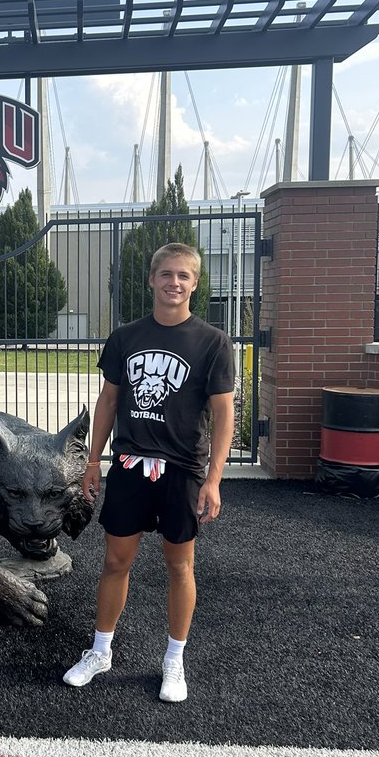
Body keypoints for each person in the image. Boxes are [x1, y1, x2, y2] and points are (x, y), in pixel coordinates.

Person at [63, 242, 235, 701]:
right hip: (129, 465)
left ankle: (174, 661)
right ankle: (100, 651)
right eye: (166, 274)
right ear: (151, 280)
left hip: (182, 470)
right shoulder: (125, 337)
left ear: (195, 283)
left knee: (180, 566)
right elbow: (109, 401)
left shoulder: (213, 342)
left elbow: (223, 415)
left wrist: (214, 479)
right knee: (115, 560)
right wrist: (93, 459)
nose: (173, 283)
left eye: (183, 275)